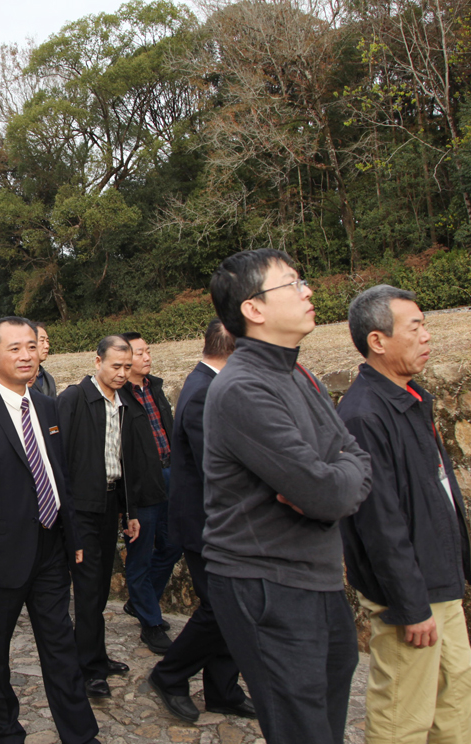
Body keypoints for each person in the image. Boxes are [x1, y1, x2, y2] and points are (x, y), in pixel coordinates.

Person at [203, 249, 371, 744]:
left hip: (315, 577)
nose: (308, 291)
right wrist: (333, 480)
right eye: (293, 283)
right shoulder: (242, 389)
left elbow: (356, 458)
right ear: (253, 308)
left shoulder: (296, 373)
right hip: (266, 582)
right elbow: (323, 493)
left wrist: (335, 477)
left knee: (327, 715)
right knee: (301, 729)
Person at [339, 286, 471, 744]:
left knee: (459, 697)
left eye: (425, 325)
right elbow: (379, 523)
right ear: (378, 341)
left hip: (439, 580)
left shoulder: (410, 398)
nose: (426, 336)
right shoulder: (364, 415)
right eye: (415, 327)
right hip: (411, 594)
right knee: (403, 713)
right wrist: (409, 603)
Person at [0, 316, 99, 744]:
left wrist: (74, 537)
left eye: (31, 345)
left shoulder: (48, 407)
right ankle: (5, 730)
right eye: (14, 348)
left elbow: (58, 477)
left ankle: (81, 735)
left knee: (61, 647)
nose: (26, 355)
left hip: (50, 548)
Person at [148, 319, 254, 723]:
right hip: (207, 525)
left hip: (219, 523)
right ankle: (169, 674)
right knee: (221, 609)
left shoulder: (211, 386)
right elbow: (221, 469)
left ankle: (222, 689)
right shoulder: (204, 393)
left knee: (233, 610)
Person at [57, 335, 159, 698]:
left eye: (126, 368)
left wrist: (128, 512)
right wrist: (68, 521)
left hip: (110, 503)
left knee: (99, 587)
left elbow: (125, 463)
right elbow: (60, 463)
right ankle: (87, 669)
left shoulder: (125, 403)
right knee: (87, 590)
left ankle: (96, 656)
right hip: (81, 509)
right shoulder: (73, 399)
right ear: (96, 360)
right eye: (115, 366)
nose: (121, 374)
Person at [119, 331, 181, 654]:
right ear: (126, 359)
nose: (147, 357)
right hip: (143, 485)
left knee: (173, 545)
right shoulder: (120, 398)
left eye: (148, 351)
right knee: (140, 554)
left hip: (170, 475)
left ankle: (142, 604)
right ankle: (151, 623)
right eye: (140, 353)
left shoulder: (154, 387)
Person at [29, 322, 57, 398]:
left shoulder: (49, 379)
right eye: (42, 340)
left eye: (47, 341)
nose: (47, 346)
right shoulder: (19, 379)